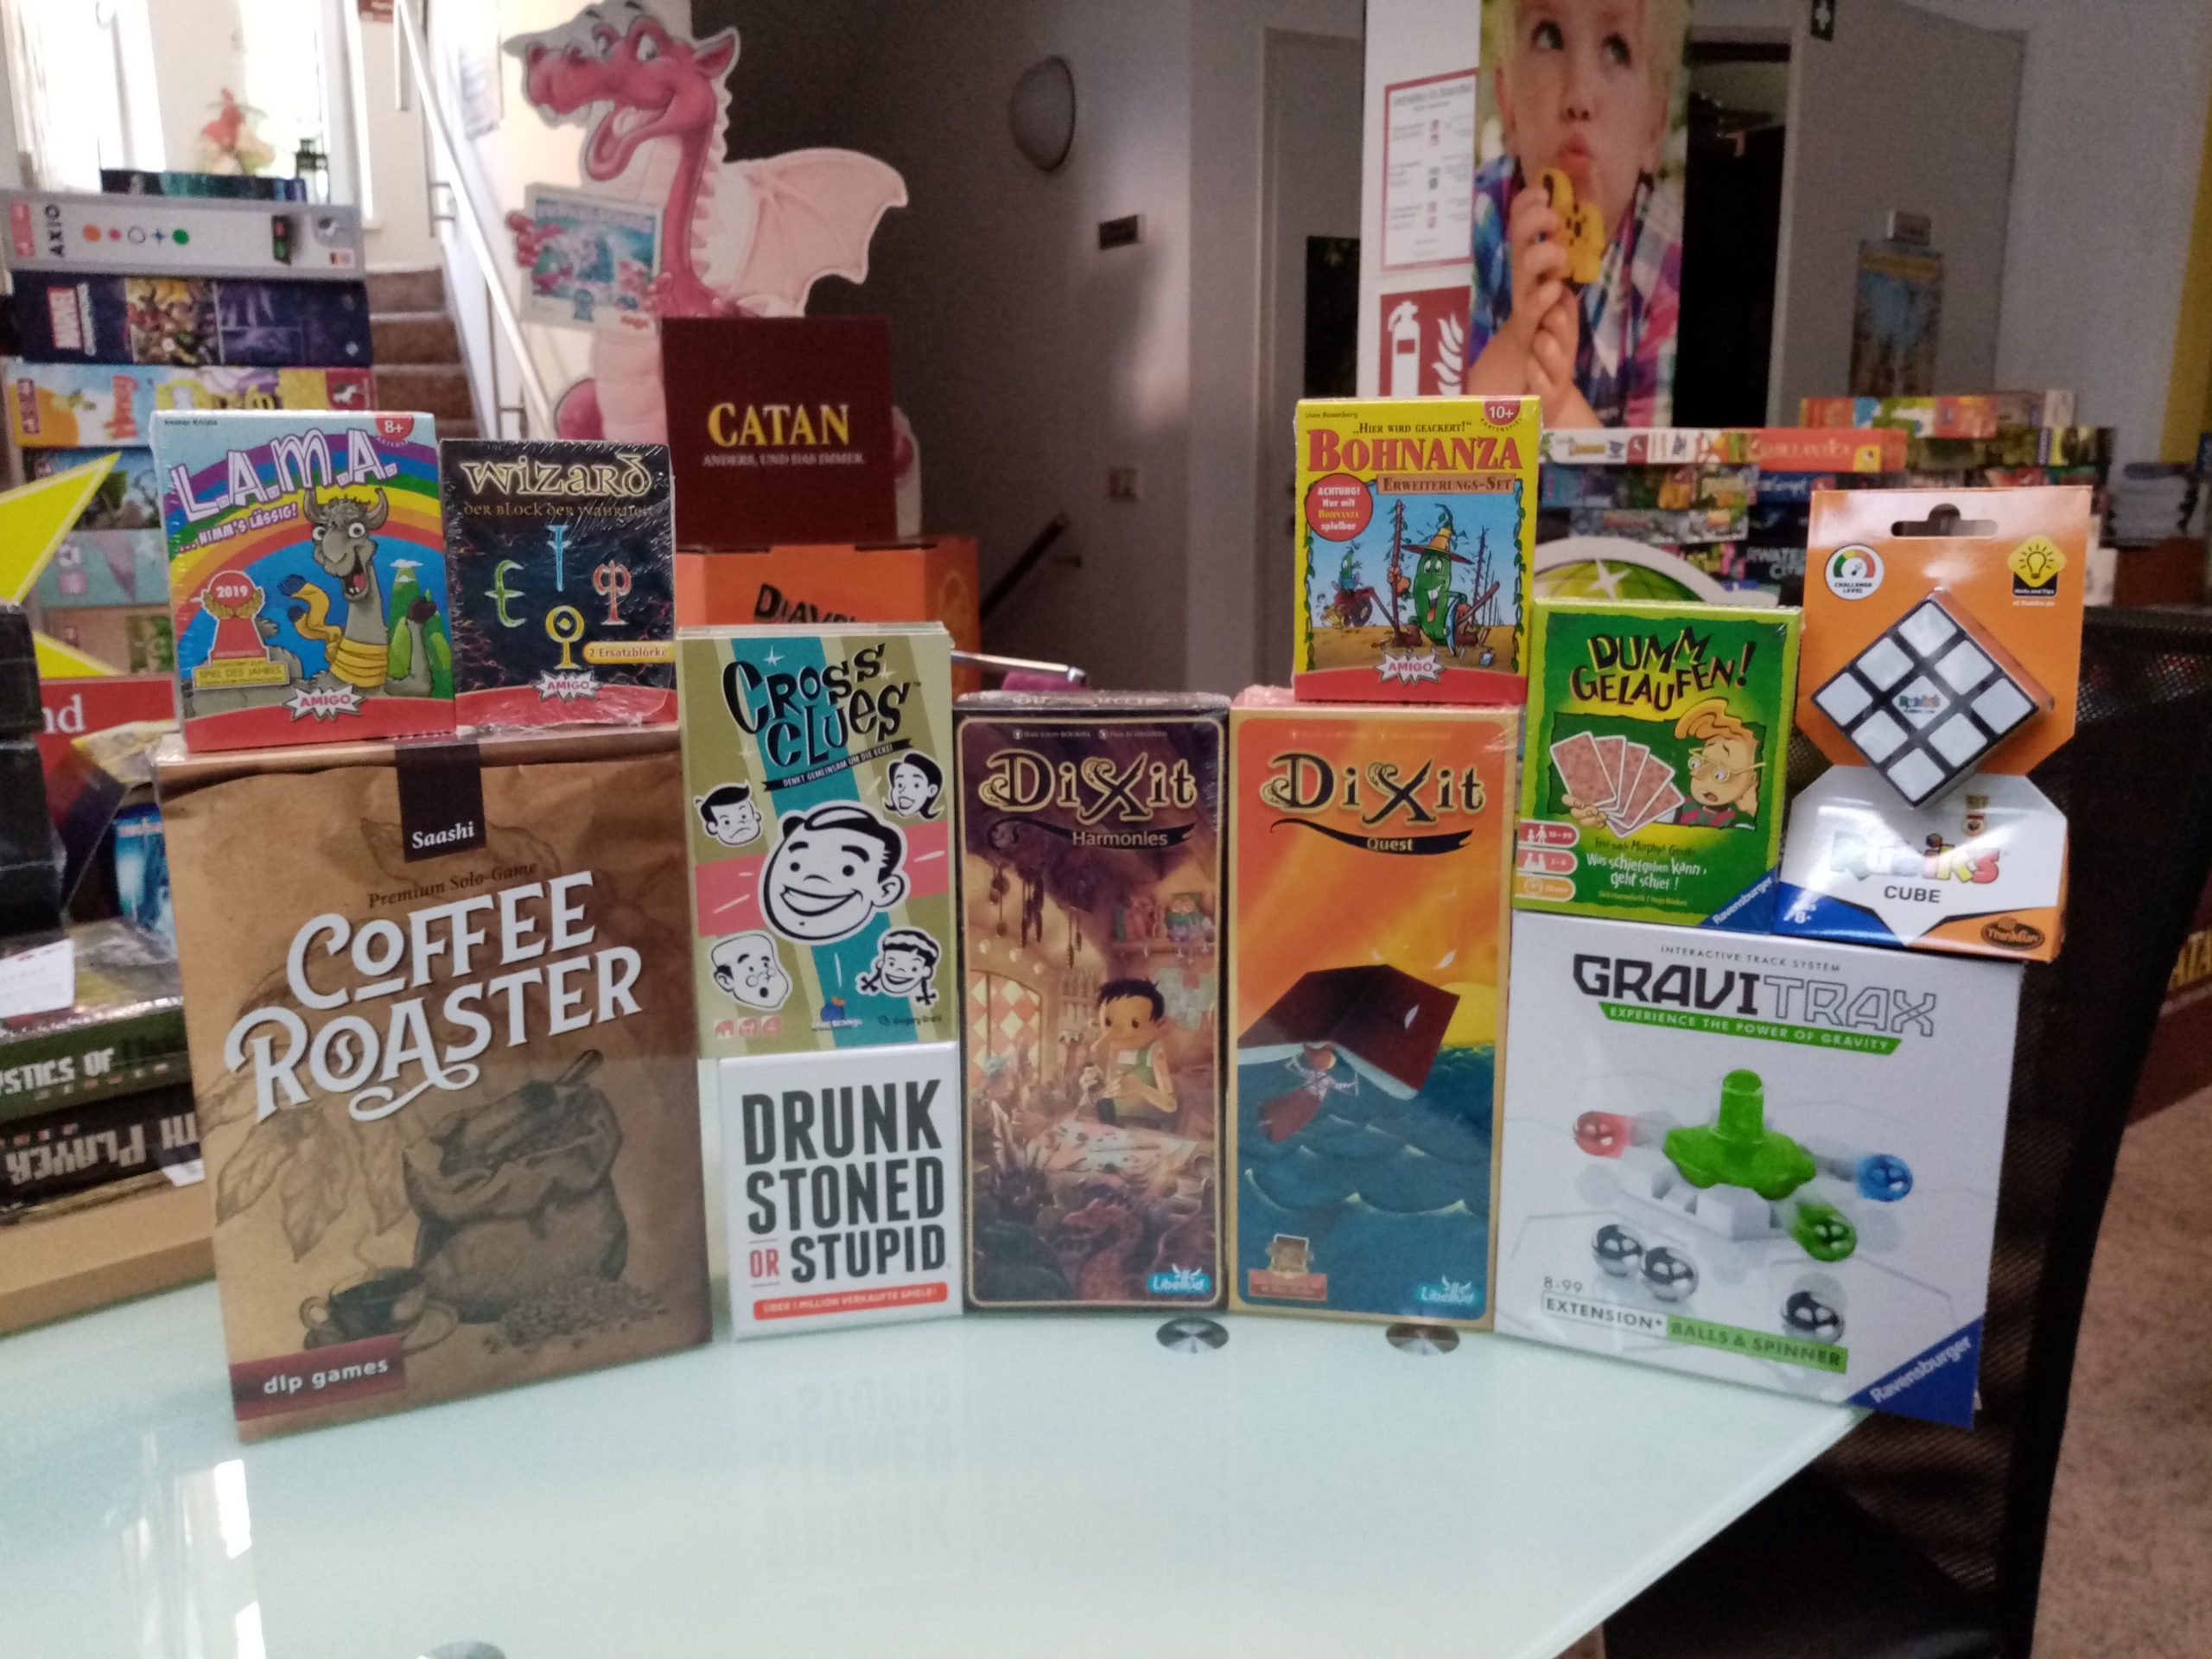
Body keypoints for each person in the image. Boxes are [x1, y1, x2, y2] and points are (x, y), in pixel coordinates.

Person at [1463, 0, 1688, 428]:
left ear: (1653, 129)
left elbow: (1650, 471)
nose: (1579, 98)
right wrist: (1520, 334)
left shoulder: (1666, 270)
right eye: (1550, 36)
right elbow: (1442, 443)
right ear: (1508, 107)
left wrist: (1561, 402)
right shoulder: (1475, 222)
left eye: (1616, 48)